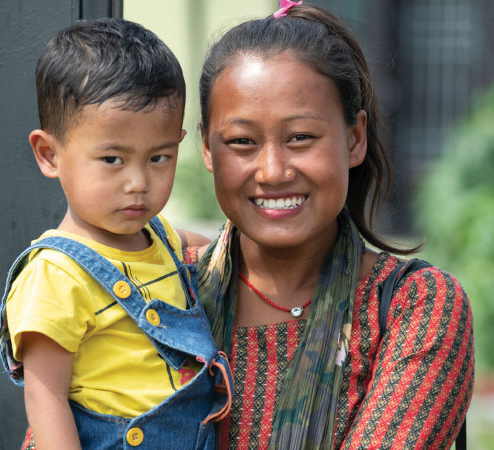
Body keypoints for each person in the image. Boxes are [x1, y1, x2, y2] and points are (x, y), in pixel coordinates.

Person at [193, 2, 474, 449]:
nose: (272, 170)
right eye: (242, 142)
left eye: (300, 137)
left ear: (355, 137)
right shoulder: (165, 292)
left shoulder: (412, 308)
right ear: (208, 149)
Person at [0, 18, 230, 450]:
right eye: (112, 160)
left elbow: (215, 250)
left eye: (159, 156)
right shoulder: (55, 276)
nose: (138, 182)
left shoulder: (160, 237)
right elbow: (45, 399)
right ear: (49, 155)